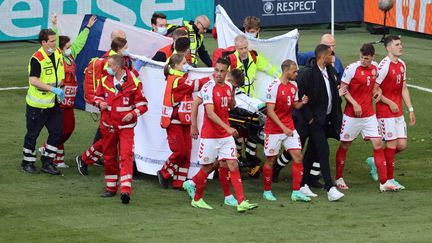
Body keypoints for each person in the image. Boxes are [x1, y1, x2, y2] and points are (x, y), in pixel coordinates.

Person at [182, 58, 258, 212]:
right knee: (208, 166)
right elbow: (210, 113)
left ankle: (241, 201)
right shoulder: (209, 88)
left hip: (224, 136)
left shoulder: (229, 86)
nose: (218, 74)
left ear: (227, 72)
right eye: (216, 70)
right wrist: (195, 125)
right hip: (210, 135)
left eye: (222, 71)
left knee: (232, 164)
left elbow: (231, 104)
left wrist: (232, 97)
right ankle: (197, 198)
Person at [335, 43, 398, 192]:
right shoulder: (352, 69)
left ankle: (384, 183)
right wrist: (354, 103)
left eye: (367, 59)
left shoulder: (375, 68)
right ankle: (338, 178)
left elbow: (376, 86)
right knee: (345, 145)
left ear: (373, 57)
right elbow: (342, 89)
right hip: (352, 116)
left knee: (377, 144)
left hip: (369, 115)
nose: (364, 61)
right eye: (362, 58)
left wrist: (379, 92)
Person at [39, 15, 96, 169]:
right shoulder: (58, 57)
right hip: (59, 100)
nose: (71, 48)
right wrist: (54, 25)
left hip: (69, 101)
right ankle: (51, 152)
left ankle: (52, 153)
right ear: (60, 48)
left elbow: (79, 43)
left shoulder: (71, 56)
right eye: (67, 46)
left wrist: (88, 28)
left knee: (68, 129)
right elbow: (55, 42)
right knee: (61, 129)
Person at [93, 55, 148, 204]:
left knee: (126, 156)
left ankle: (125, 190)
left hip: (125, 127)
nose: (107, 68)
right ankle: (110, 188)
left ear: (117, 67)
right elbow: (96, 97)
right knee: (109, 156)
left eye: (109, 65)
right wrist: (100, 103)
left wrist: (132, 114)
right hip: (108, 125)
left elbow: (143, 104)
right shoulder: (104, 81)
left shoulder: (134, 82)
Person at [76, 36, 134, 175]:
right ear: (119, 49)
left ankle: (88, 158)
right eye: (125, 47)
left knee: (109, 138)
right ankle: (85, 159)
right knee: (109, 139)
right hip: (111, 106)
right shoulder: (112, 62)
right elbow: (108, 84)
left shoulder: (119, 59)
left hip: (116, 105)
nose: (127, 50)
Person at [366, 35, 416, 190]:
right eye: (397, 44)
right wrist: (389, 102)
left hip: (398, 111)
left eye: (401, 44)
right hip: (385, 111)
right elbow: (374, 89)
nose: (401, 47)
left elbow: (403, 88)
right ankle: (390, 179)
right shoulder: (384, 65)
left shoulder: (401, 64)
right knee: (392, 144)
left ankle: (376, 161)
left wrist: (411, 109)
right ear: (388, 48)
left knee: (402, 144)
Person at [226, 35, 279, 176]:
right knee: (255, 116)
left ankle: (250, 157)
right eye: (240, 49)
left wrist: (281, 77)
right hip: (237, 97)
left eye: (245, 48)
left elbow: (269, 67)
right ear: (236, 48)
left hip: (249, 98)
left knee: (254, 123)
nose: (243, 51)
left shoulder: (254, 57)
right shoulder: (231, 60)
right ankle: (245, 154)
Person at [297, 44, 344, 201]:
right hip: (314, 121)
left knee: (311, 152)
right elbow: (301, 98)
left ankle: (303, 184)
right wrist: (311, 119)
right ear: (323, 57)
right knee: (323, 150)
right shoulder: (309, 74)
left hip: (326, 119)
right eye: (331, 55)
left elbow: (331, 95)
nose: (333, 58)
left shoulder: (330, 71)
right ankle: (330, 188)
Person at [157, 53, 211, 189]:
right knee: (180, 152)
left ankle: (179, 183)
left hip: (184, 119)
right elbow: (195, 85)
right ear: (176, 66)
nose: (187, 65)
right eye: (184, 63)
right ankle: (164, 173)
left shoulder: (179, 77)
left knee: (187, 152)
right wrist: (213, 77)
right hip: (174, 120)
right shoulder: (177, 80)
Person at [261, 59, 311, 202]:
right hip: (274, 130)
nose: (297, 73)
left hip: (289, 127)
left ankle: (296, 192)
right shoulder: (273, 87)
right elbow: (270, 111)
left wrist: (302, 102)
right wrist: (282, 127)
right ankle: (267, 191)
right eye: (294, 71)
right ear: (286, 71)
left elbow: (295, 105)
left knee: (298, 157)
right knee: (270, 160)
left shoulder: (294, 86)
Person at [21, 29, 65, 175]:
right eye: (52, 41)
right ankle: (27, 162)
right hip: (37, 105)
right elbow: (33, 80)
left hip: (53, 103)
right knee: (33, 134)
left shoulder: (57, 51)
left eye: (55, 40)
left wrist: (54, 23)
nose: (55, 43)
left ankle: (47, 162)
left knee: (57, 132)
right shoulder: (37, 58)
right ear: (43, 43)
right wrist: (53, 90)